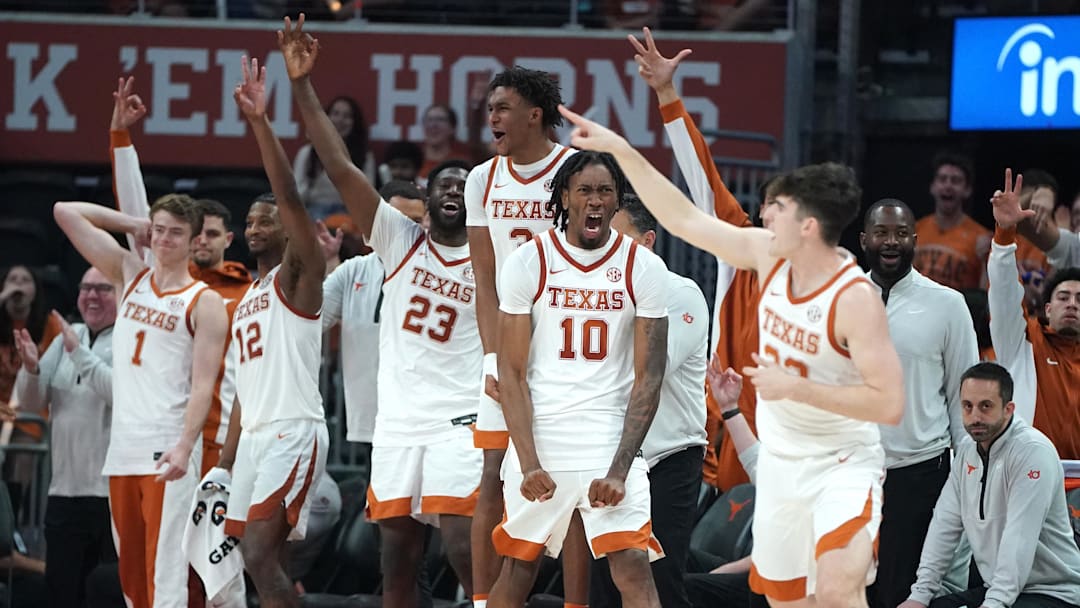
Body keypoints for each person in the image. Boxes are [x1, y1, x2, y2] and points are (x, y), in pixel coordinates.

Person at [557, 105, 905, 606]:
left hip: (841, 462)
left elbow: (888, 403)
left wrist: (798, 388)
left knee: (836, 588)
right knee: (790, 601)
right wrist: (620, 150)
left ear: (807, 224)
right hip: (783, 465)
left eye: (776, 209)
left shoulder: (855, 298)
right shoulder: (766, 254)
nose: (763, 214)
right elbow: (682, 217)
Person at [281, 17, 480, 606]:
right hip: (398, 426)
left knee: (467, 552)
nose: (451, 189)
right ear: (425, 200)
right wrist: (302, 87)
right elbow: (340, 164)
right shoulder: (399, 242)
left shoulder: (495, 258)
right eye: (442, 182)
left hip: (460, 423)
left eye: (463, 184)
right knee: (395, 563)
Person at [489, 151, 669, 608]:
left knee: (632, 564)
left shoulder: (644, 268)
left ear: (616, 201)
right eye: (584, 190)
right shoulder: (529, 262)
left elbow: (649, 378)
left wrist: (619, 468)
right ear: (565, 196)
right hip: (543, 434)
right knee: (518, 568)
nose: (594, 200)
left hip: (608, 437)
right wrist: (528, 462)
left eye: (604, 191)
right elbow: (510, 373)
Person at [53, 192, 229, 608]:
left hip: (168, 447)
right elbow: (65, 212)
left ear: (192, 241)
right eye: (160, 230)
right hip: (123, 449)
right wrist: (133, 224)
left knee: (165, 571)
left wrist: (186, 445)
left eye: (176, 233)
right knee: (131, 573)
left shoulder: (204, 302)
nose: (166, 240)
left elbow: (204, 385)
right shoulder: (128, 274)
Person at [463, 64, 584, 608]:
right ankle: (485, 600)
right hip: (507, 347)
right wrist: (492, 357)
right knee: (492, 475)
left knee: (574, 483)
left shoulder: (575, 170)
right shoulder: (480, 180)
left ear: (535, 115)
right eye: (490, 108)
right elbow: (483, 281)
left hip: (565, 348)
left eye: (502, 107)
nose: (492, 117)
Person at [213, 54, 329, 608]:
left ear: (290, 230)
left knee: (259, 554)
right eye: (250, 221)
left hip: (292, 430)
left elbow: (289, 196)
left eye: (267, 220)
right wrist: (224, 458)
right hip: (256, 433)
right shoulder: (249, 300)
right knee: (259, 557)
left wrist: (260, 123)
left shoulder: (299, 278)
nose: (255, 226)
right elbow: (242, 390)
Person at [630, 27, 764, 492]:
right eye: (773, 209)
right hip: (722, 429)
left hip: (790, 437)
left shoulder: (830, 275)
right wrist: (667, 94)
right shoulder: (740, 247)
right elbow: (700, 174)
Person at [108, 76, 254, 479]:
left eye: (211, 234)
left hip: (224, 434)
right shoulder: (166, 279)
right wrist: (120, 137)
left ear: (228, 238)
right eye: (196, 233)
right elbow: (138, 210)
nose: (201, 242)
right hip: (170, 433)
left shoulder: (249, 292)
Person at [858, 198, 979, 608]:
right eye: (881, 233)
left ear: (915, 239)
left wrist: (967, 475)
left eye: (901, 233)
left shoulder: (948, 304)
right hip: (849, 475)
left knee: (903, 594)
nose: (891, 242)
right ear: (864, 240)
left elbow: (966, 397)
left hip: (919, 473)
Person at [589, 193, 708, 608]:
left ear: (648, 241)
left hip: (669, 457)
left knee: (660, 581)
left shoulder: (683, 294)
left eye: (619, 239)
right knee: (604, 584)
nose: (608, 249)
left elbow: (648, 373)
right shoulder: (594, 295)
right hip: (608, 454)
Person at [898, 362, 1080, 608]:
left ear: (1008, 409)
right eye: (967, 406)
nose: (975, 417)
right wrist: (919, 595)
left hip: (1055, 592)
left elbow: (1019, 539)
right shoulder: (966, 453)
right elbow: (944, 526)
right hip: (998, 589)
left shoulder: (1032, 453)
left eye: (986, 406)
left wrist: (994, 603)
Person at [10, 268, 116, 608]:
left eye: (102, 288)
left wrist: (79, 353)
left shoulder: (131, 338)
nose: (92, 295)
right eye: (85, 288)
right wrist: (30, 369)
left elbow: (118, 393)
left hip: (109, 494)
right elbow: (29, 404)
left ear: (122, 294)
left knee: (103, 593)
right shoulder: (65, 338)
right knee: (61, 593)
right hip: (63, 492)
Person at [319, 179, 429, 477]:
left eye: (417, 222)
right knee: (382, 513)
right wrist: (321, 266)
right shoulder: (354, 270)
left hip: (428, 418)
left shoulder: (441, 273)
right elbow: (311, 322)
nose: (408, 231)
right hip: (374, 418)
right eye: (399, 221)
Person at [986, 169, 1080, 459]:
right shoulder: (1022, 341)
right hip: (1029, 474)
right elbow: (1003, 294)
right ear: (1047, 309)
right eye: (1063, 297)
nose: (1073, 304)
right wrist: (1003, 235)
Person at [913, 151, 991, 291]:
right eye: (942, 179)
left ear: (967, 190)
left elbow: (986, 294)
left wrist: (985, 261)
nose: (948, 186)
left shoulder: (981, 238)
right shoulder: (916, 229)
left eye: (955, 181)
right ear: (933, 187)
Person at [293, 94, 376, 219]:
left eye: (347, 116)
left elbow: (368, 197)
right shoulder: (307, 153)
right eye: (335, 114)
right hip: (314, 212)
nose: (340, 120)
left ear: (355, 123)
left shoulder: (365, 156)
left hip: (349, 215)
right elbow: (298, 194)